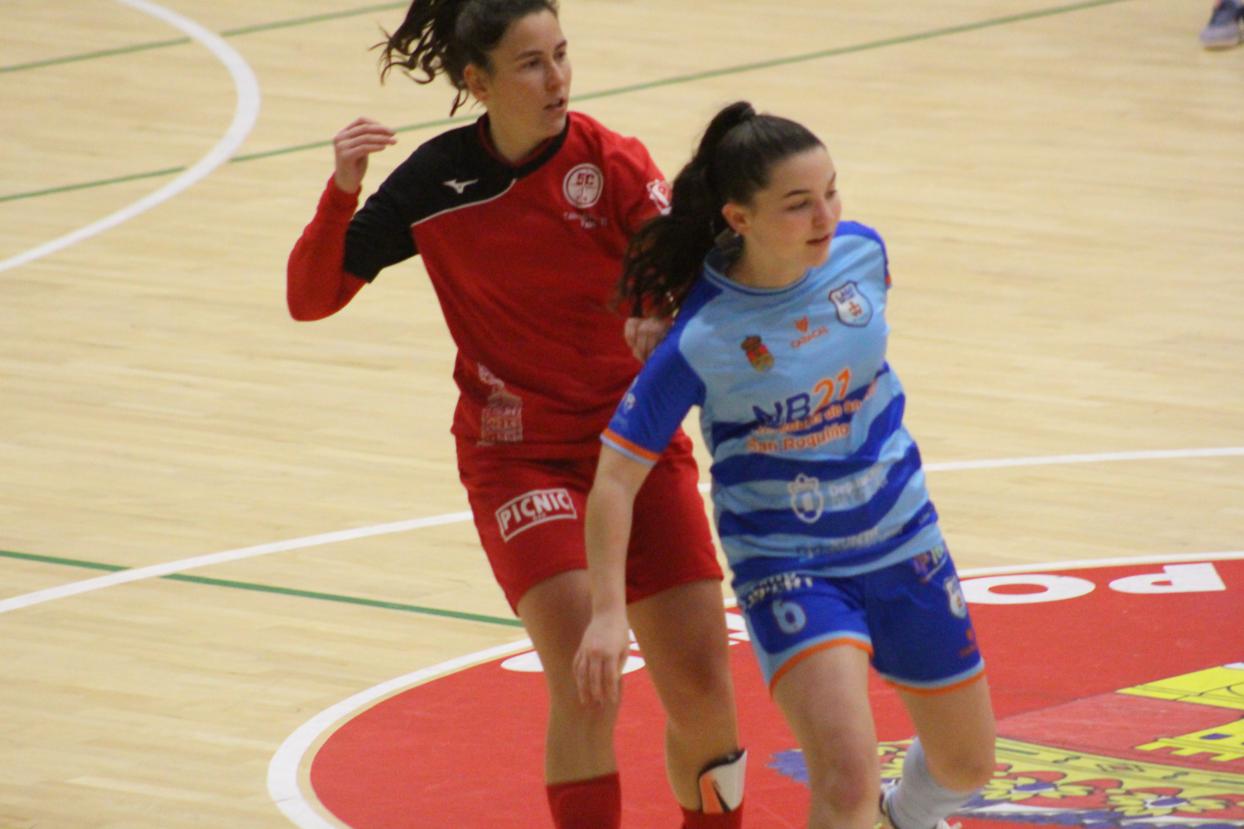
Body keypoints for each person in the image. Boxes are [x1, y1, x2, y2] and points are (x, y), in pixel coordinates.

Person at [285, 2, 746, 827]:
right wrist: (342, 190)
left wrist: (661, 315)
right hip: (519, 457)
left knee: (706, 693)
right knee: (585, 678)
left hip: (634, 447)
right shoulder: (434, 182)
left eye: (561, 54)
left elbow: (684, 275)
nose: (557, 78)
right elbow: (311, 297)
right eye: (532, 63)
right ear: (478, 81)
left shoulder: (610, 163)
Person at [573, 101, 997, 829]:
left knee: (967, 763)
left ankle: (906, 817)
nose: (825, 215)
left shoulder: (864, 256)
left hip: (905, 540)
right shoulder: (702, 336)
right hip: (791, 562)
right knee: (844, 779)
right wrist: (609, 613)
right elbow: (615, 477)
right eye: (798, 203)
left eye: (831, 192)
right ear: (739, 218)